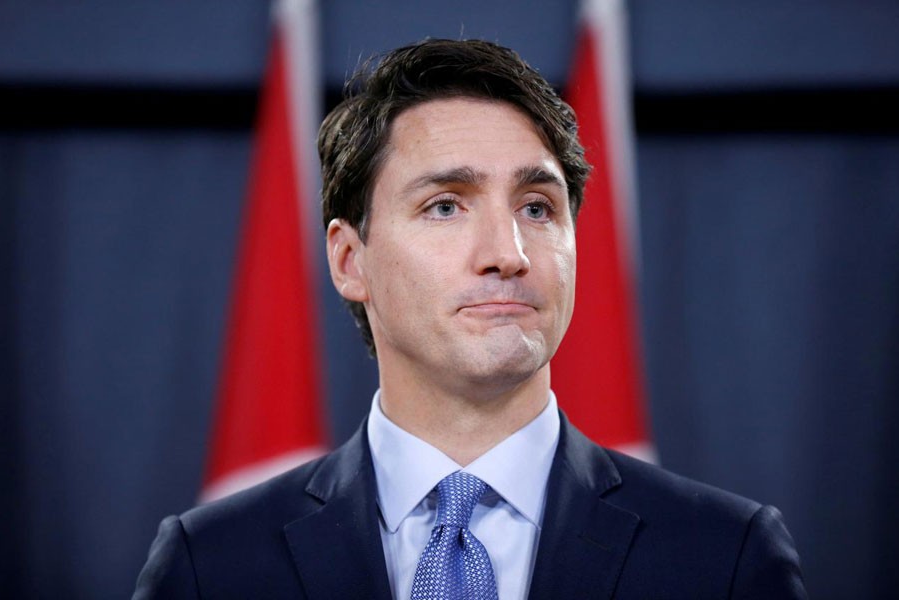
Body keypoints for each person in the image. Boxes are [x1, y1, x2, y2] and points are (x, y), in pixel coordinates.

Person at [134, 39, 806, 599]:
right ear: (349, 260)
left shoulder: (725, 558)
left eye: (537, 208)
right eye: (446, 206)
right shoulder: (209, 566)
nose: (508, 255)